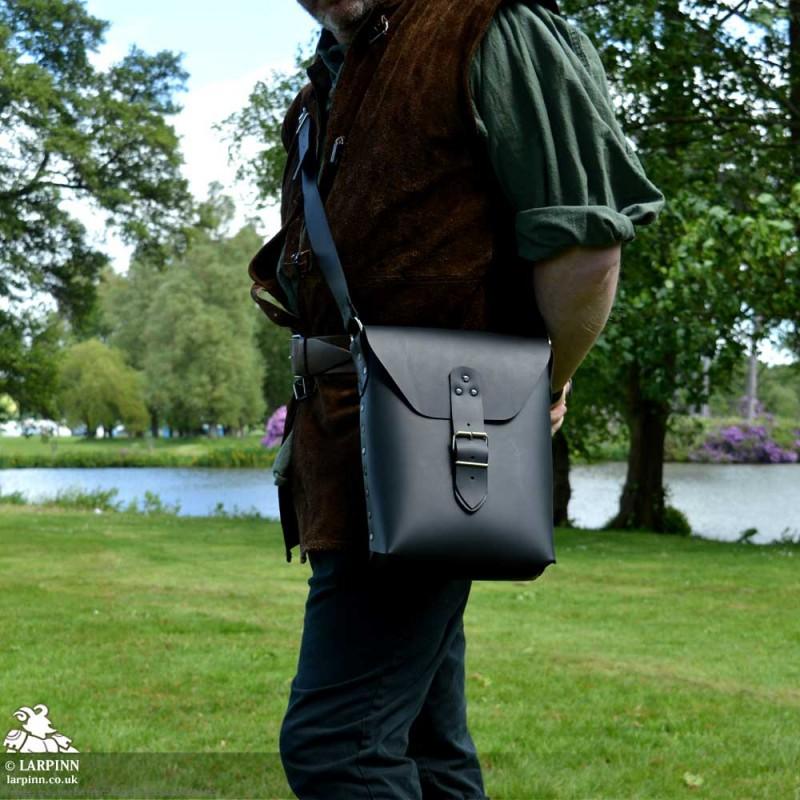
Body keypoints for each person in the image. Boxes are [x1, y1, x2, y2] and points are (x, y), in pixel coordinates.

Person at [247, 0, 665, 797]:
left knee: (337, 747)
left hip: (440, 448)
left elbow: (583, 246)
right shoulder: (320, 92)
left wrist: (540, 387)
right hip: (342, 457)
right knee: (425, 746)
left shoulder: (488, 26)